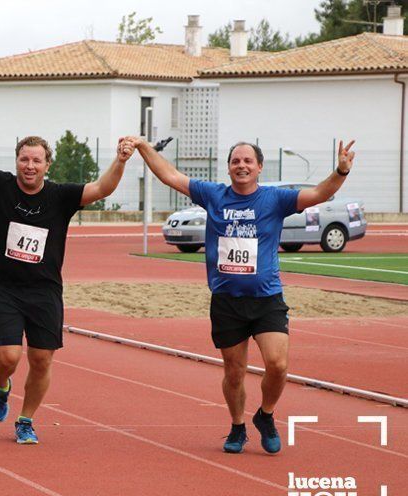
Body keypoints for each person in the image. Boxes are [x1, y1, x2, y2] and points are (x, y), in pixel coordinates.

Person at [123, 136, 355, 454]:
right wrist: (143, 147)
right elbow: (170, 175)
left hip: (266, 298)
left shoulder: (275, 200)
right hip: (227, 300)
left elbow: (319, 194)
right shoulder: (213, 195)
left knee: (277, 364)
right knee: (234, 372)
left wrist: (340, 171)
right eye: (236, 161)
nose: (241, 165)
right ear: (229, 168)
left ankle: (266, 415)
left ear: (259, 167)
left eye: (248, 161)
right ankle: (237, 426)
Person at [0, 96, 133, 445]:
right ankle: (1, 387)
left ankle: (25, 419)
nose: (30, 166)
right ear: (16, 162)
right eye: (24, 159)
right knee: (8, 356)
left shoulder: (61, 197)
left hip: (44, 291)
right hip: (4, 287)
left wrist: (119, 161)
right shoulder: (0, 186)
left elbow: (103, 188)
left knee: (41, 360)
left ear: (47, 165)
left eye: (36, 160)